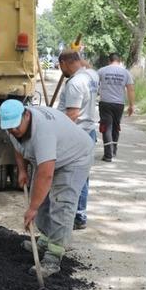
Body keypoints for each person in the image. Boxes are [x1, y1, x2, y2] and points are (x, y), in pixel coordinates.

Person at [0, 99, 94, 278]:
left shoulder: (43, 133)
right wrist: (21, 171)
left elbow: (46, 173)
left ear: (26, 115)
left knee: (61, 203)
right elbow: (18, 146)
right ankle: (45, 239)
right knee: (40, 197)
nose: (12, 130)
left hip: (75, 157)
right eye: (9, 128)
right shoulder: (13, 125)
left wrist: (32, 208)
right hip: (52, 156)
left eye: (15, 127)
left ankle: (53, 256)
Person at [56, 50, 98, 230]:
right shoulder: (91, 75)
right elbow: (87, 65)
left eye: (60, 66)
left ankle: (75, 216)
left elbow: (72, 114)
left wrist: (57, 134)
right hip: (89, 132)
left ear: (64, 63)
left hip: (77, 134)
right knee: (83, 175)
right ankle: (80, 213)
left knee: (72, 177)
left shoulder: (74, 83)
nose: (60, 70)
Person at [97, 53, 135, 163]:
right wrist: (132, 105)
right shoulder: (125, 72)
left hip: (105, 103)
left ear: (109, 60)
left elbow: (94, 83)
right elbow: (131, 89)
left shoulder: (102, 71)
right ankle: (113, 151)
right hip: (119, 104)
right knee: (115, 127)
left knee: (106, 128)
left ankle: (108, 155)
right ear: (120, 60)